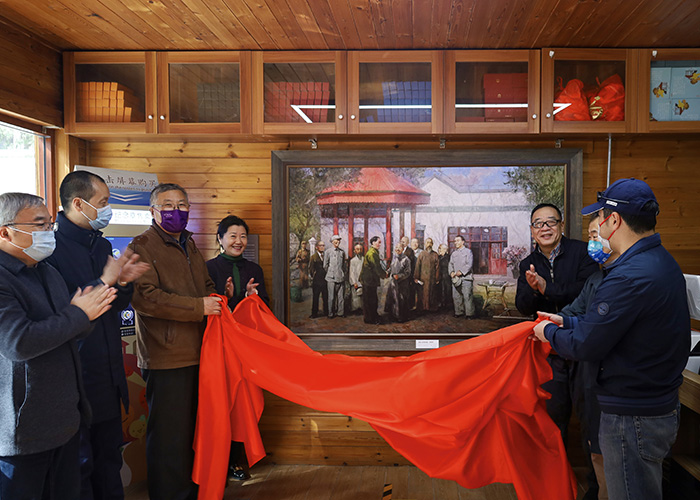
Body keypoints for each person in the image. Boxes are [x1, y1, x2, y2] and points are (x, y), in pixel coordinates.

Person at [534, 178, 690, 500]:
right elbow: (617, 326)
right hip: (654, 407)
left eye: (600, 217)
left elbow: (586, 345)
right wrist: (568, 320)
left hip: (632, 418)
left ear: (614, 220)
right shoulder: (660, 262)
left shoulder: (628, 276)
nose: (599, 226)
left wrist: (547, 332)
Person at [0, 192, 116, 499]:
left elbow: (70, 327)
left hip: (64, 419)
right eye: (39, 224)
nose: (48, 232)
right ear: (5, 232)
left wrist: (88, 313)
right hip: (23, 430)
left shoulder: (47, 271)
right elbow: (18, 342)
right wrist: (79, 314)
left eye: (49, 223)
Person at [47, 171, 149, 500]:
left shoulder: (101, 243)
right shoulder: (50, 250)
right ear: (79, 203)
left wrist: (123, 282)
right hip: (75, 375)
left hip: (109, 373)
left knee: (109, 459)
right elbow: (66, 310)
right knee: (80, 467)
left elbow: (113, 304)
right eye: (103, 202)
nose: (108, 209)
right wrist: (105, 281)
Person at [128, 183, 221, 500]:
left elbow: (205, 284)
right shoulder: (142, 246)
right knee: (169, 435)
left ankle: (190, 490)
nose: (176, 211)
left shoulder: (189, 244)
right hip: (166, 355)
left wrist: (217, 298)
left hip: (199, 351)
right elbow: (145, 298)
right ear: (153, 210)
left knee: (191, 430)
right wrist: (198, 307)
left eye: (182, 205)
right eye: (168, 205)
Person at [515, 203, 598, 450]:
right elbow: (522, 307)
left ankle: (594, 476)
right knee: (553, 418)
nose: (545, 228)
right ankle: (557, 473)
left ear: (561, 225)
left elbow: (585, 294)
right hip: (549, 352)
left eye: (551, 222)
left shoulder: (583, 253)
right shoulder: (527, 263)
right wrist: (534, 290)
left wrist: (546, 288)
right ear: (532, 230)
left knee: (591, 420)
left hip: (583, 347)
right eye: (538, 224)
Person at [554, 211, 617, 500]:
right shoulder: (596, 278)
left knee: (605, 449)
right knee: (592, 440)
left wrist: (553, 332)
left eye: (594, 236)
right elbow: (576, 311)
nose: (591, 242)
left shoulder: (622, 281)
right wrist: (553, 321)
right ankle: (595, 490)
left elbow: (593, 329)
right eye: (590, 236)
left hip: (609, 378)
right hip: (588, 372)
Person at [206, 215, 268, 482]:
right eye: (232, 236)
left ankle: (238, 460)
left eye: (243, 236)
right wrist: (227, 298)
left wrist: (253, 299)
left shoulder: (255, 269)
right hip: (219, 350)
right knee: (223, 404)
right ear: (220, 238)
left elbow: (265, 308)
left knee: (245, 404)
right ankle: (220, 461)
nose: (238, 241)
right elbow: (206, 308)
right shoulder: (208, 268)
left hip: (247, 350)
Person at [360, 236, 386, 324]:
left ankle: (373, 316)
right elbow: (376, 267)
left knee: (371, 299)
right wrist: (384, 274)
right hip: (368, 281)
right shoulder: (372, 253)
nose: (380, 244)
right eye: (379, 242)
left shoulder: (374, 252)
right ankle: (370, 319)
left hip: (370, 280)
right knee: (370, 300)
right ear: (373, 243)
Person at [449, 235, 475, 318]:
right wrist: (451, 272)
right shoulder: (454, 253)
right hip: (456, 279)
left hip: (466, 278)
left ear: (463, 242)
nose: (455, 242)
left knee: (467, 296)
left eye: (458, 240)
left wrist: (461, 272)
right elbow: (450, 264)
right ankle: (459, 312)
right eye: (455, 241)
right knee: (456, 296)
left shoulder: (468, 252)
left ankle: (469, 314)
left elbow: (469, 264)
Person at [384, 244, 411, 322]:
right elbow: (391, 267)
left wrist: (399, 276)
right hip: (393, 282)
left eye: (399, 247)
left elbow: (408, 272)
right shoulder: (394, 257)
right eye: (396, 247)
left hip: (402, 283)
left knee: (401, 300)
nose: (397, 249)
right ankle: (392, 316)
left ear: (403, 249)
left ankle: (400, 317)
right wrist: (387, 272)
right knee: (392, 298)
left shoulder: (406, 259)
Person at [414, 237, 440, 314]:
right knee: (422, 294)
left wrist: (437, 278)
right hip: (423, 278)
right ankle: (423, 308)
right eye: (427, 242)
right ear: (425, 244)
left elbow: (437, 267)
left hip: (432, 278)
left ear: (432, 244)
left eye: (430, 243)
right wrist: (416, 277)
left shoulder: (435, 255)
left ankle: (431, 309)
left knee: (432, 293)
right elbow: (417, 266)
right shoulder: (422, 254)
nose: (429, 244)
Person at [323, 234, 346, 318]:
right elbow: (325, 265)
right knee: (331, 297)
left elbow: (344, 265)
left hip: (340, 277)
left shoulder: (342, 252)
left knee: (341, 297)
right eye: (336, 240)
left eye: (339, 240)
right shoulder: (328, 252)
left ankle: (340, 313)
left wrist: (342, 273)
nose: (338, 242)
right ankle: (330, 313)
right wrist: (331, 272)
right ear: (332, 242)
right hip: (331, 278)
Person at [308, 240, 327, 318]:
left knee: (325, 296)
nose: (322, 247)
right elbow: (311, 269)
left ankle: (326, 312)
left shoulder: (326, 256)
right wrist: (314, 276)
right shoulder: (313, 257)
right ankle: (314, 313)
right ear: (317, 247)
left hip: (325, 280)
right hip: (317, 280)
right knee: (316, 297)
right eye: (320, 245)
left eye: (323, 245)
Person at [400, 236, 416, 310]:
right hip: (400, 275)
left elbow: (410, 263)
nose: (402, 243)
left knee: (408, 291)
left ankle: (408, 307)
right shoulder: (400, 249)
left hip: (407, 275)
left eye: (404, 242)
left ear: (407, 243)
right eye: (401, 241)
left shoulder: (410, 251)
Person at [348, 243, 364, 314]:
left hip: (362, 281)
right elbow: (351, 272)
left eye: (360, 249)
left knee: (362, 297)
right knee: (355, 297)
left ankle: (362, 309)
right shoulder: (353, 260)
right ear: (354, 251)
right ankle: (355, 310)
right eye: (357, 249)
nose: (359, 251)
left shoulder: (364, 259)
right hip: (355, 280)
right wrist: (354, 282)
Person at [437, 243, 452, 310]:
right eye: (440, 249)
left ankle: (447, 305)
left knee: (447, 290)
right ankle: (441, 304)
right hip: (440, 276)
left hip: (446, 276)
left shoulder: (449, 257)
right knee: (440, 290)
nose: (441, 250)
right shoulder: (438, 257)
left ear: (446, 250)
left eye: (443, 249)